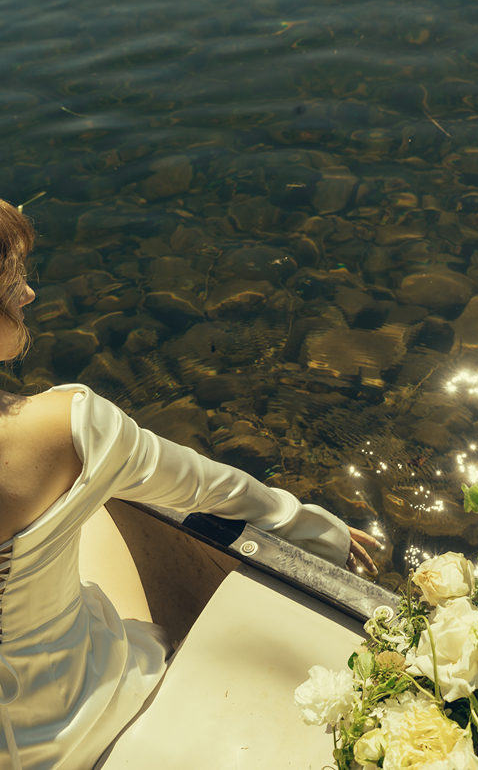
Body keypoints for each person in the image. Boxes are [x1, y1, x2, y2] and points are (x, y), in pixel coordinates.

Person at [0, 200, 379, 770]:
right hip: (69, 725)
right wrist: (325, 538)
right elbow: (210, 488)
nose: (27, 295)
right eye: (11, 282)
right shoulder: (63, 427)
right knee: (105, 501)